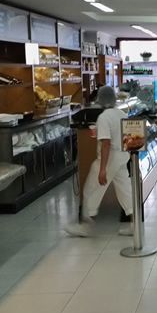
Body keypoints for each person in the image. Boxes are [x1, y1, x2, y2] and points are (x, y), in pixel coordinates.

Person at [65, 86, 132, 237]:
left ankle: (86, 226)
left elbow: (106, 143)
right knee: (125, 191)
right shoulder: (122, 113)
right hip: (122, 156)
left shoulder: (103, 117)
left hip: (109, 159)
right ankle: (134, 226)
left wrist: (103, 169)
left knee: (91, 189)